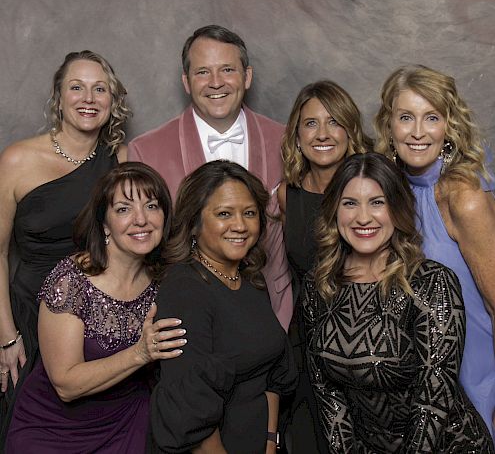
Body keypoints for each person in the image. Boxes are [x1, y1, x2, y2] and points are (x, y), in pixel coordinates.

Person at [303, 152, 493, 452]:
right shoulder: (319, 285)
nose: (362, 217)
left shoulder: (431, 282)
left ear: (397, 208)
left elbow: (433, 400)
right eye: (350, 203)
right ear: (334, 210)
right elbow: (326, 392)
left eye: (377, 202)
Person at [6, 162, 186, 453]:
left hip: (129, 421)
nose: (141, 220)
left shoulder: (166, 280)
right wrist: (141, 353)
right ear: (104, 223)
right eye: (124, 209)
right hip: (52, 431)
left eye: (152, 206)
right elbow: (66, 384)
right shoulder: (71, 280)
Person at [0, 50, 129, 443]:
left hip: (95, 319)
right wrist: (6, 336)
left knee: (91, 431)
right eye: (77, 87)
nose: (88, 98)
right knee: (26, 431)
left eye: (99, 89)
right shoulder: (18, 159)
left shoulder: (119, 159)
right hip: (26, 317)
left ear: (112, 101)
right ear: (59, 97)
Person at [128, 25, 292, 329]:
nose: (216, 83)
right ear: (186, 82)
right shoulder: (145, 150)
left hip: (274, 309)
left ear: (247, 76)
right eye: (203, 72)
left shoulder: (287, 142)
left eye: (227, 69)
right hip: (188, 321)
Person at [374, 64, 495, 448]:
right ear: (389, 124)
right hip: (415, 381)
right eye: (406, 117)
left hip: (474, 373)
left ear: (449, 126)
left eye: (432, 118)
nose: (416, 132)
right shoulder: (386, 188)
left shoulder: (463, 196)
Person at [149, 161, 297, 454]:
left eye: (250, 213)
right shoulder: (184, 290)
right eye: (224, 214)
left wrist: (269, 443)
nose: (240, 226)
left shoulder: (250, 280)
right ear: (194, 222)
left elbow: (270, 373)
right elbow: (190, 411)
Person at [277, 80, 370, 453]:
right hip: (309, 346)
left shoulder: (373, 189)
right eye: (311, 123)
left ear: (350, 130)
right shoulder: (288, 195)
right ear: (297, 136)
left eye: (334, 122)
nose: (323, 134)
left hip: (367, 345)